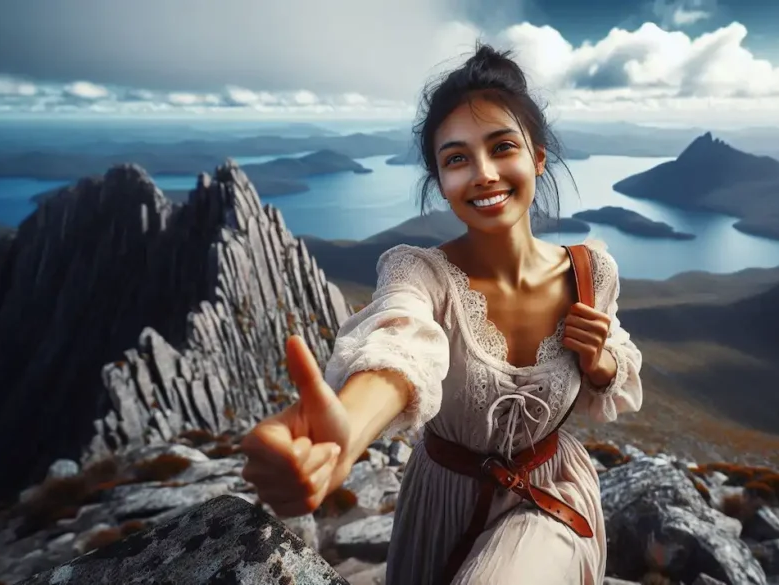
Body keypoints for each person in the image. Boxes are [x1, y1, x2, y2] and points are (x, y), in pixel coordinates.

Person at [240, 43, 644, 585]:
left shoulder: (593, 273)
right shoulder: (418, 273)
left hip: (552, 494)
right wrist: (347, 434)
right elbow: (398, 345)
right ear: (440, 180)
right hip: (439, 504)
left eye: (502, 147)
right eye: (456, 158)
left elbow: (616, 361)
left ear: (538, 157)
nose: (482, 173)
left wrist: (600, 365)